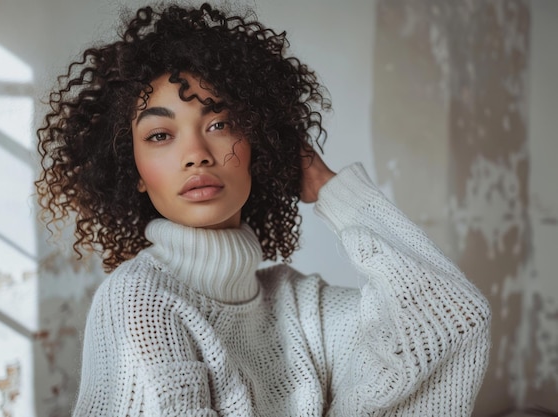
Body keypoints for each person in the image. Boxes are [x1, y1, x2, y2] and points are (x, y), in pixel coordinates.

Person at [35, 3, 491, 416]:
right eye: (160, 136)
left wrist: (332, 190)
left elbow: (453, 318)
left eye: (219, 124)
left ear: (258, 140)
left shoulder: (297, 305)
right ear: (132, 169)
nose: (196, 153)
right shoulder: (139, 301)